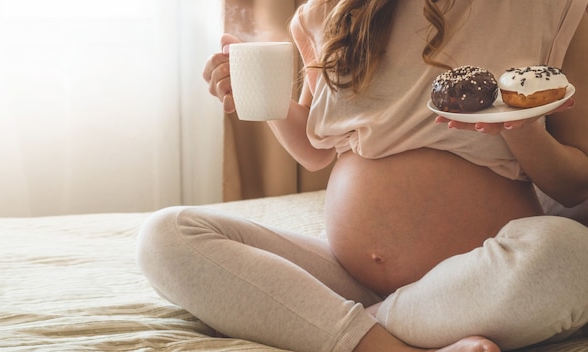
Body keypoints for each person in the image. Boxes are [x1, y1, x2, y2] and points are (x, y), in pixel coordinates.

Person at [137, 1, 588, 351]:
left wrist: (521, 129)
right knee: (167, 234)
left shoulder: (557, 10)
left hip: (472, 281)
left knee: (570, 255)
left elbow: (573, 186)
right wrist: (263, 98)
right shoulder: (329, 12)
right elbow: (315, 149)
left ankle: (328, 322)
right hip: (347, 273)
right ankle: (381, 343)